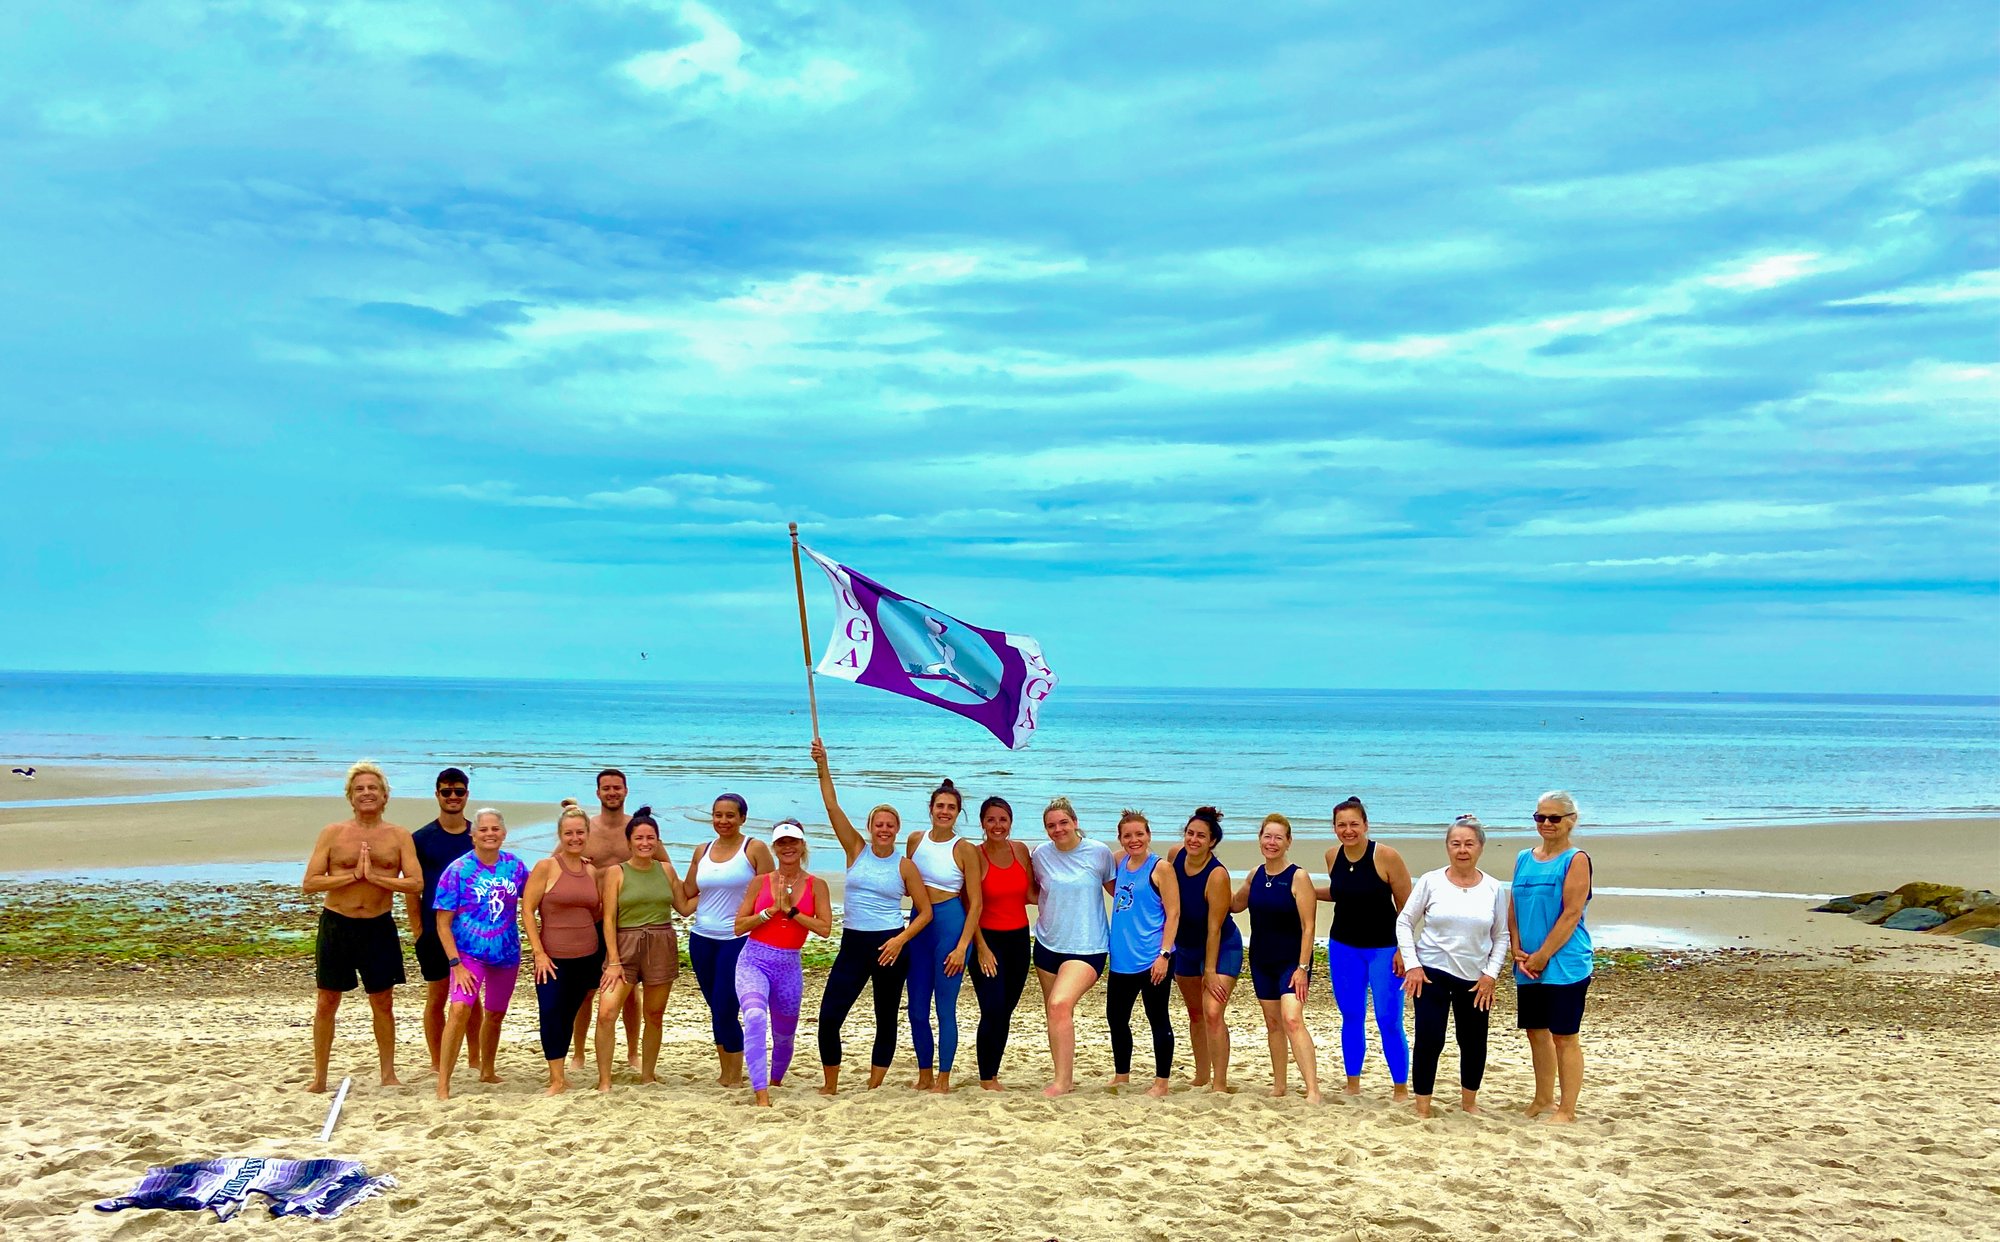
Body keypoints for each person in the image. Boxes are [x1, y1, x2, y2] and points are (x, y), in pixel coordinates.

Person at [811, 739, 934, 1094]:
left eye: (890, 825)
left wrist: (899, 940)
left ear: (897, 830)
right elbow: (831, 805)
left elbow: (924, 913)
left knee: (886, 1017)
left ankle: (874, 1084)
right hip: (853, 943)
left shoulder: (904, 865)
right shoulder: (856, 850)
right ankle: (830, 1084)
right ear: (870, 827)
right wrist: (823, 764)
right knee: (831, 1015)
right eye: (878, 824)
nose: (883, 829)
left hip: (890, 945)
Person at [302, 760, 420, 1093]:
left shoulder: (399, 836)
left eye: (373, 788)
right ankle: (320, 1077)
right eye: (359, 789)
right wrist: (352, 876)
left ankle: (388, 1073)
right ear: (350, 797)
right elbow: (310, 882)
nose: (366, 793)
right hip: (338, 924)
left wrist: (378, 878)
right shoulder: (333, 833)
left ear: (385, 796)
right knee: (327, 1000)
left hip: (377, 926)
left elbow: (415, 883)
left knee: (383, 1001)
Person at [1397, 815, 1510, 1118]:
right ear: (1447, 847)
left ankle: (1469, 1103)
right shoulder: (1431, 881)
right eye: (1456, 844)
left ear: (1480, 848)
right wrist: (1412, 965)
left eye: (1469, 844)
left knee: (1473, 1042)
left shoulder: (1494, 888)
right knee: (1429, 1039)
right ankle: (1422, 1106)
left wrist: (1490, 975)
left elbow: (1501, 936)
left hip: (1475, 978)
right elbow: (1405, 921)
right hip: (1432, 973)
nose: (1462, 850)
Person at [731, 820, 832, 1106]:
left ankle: (775, 1081)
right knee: (754, 1017)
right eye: (782, 843)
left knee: (784, 1036)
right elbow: (738, 926)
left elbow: (825, 929)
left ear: (802, 846)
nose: (788, 848)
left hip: (789, 965)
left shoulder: (817, 885)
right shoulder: (760, 882)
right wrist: (769, 912)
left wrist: (792, 912)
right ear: (775, 848)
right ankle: (761, 1093)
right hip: (754, 959)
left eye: (793, 842)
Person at [595, 806, 696, 1091]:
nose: (645, 843)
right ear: (629, 842)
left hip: (661, 943)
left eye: (650, 838)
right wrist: (613, 960)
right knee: (606, 1013)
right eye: (639, 838)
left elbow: (684, 907)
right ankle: (604, 1080)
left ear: (657, 841)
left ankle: (648, 1074)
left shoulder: (665, 869)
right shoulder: (616, 872)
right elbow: (609, 919)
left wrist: (720, 891)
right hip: (624, 946)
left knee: (654, 1014)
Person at [1318, 796, 1412, 1098]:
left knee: (1388, 1019)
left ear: (1366, 825)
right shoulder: (1332, 856)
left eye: (1354, 824)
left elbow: (1406, 907)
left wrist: (1403, 950)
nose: (1348, 830)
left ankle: (1400, 1087)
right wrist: (1301, 890)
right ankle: (1353, 1084)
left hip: (1384, 948)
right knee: (1351, 1014)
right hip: (1343, 946)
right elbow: (1341, 893)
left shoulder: (1387, 856)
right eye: (1342, 825)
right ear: (1334, 828)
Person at [433, 808, 530, 1100]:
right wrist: (456, 964)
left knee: (496, 1014)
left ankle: (487, 1070)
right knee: (460, 1009)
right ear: (472, 834)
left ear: (504, 833)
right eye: (483, 829)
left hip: (506, 953)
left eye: (495, 829)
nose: (490, 834)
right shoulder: (457, 871)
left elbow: (540, 891)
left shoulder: (515, 866)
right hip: (468, 954)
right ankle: (443, 1084)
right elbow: (442, 923)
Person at [1510, 790, 1593, 1125]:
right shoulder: (1523, 857)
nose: (1546, 824)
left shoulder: (1576, 859)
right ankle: (1543, 1098)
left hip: (1564, 961)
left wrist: (1544, 954)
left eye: (1554, 818)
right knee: (1536, 1031)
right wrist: (1516, 947)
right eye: (1540, 817)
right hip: (1527, 962)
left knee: (1564, 1035)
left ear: (1570, 820)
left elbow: (1572, 913)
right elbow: (1514, 904)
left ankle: (1566, 1109)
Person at [684, 792, 774, 1086]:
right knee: (716, 1008)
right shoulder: (702, 850)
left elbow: (772, 891)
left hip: (737, 939)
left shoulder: (754, 848)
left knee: (725, 1007)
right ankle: (727, 1070)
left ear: (742, 818)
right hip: (701, 939)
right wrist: (659, 859)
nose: (723, 821)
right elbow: (687, 893)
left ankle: (734, 1074)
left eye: (730, 816)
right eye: (718, 815)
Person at [1031, 796, 1115, 1098]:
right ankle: (1060, 1074)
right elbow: (1031, 890)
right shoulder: (1040, 855)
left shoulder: (1099, 853)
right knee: (1053, 1012)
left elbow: (1121, 893)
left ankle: (1063, 1082)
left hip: (1088, 947)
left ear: (1075, 822)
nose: (1058, 829)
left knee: (1059, 1005)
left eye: (1063, 822)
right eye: (1051, 825)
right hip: (1047, 945)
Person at [904, 776, 984, 1092]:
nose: (945, 811)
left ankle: (943, 1077)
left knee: (945, 1007)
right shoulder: (914, 840)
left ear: (958, 812)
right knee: (917, 1007)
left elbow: (975, 902)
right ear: (931, 808)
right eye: (940, 806)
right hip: (919, 925)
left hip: (951, 926)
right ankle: (924, 1073)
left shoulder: (964, 849)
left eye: (951, 807)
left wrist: (963, 946)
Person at [1234, 813, 1321, 1102]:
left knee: (1292, 1019)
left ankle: (1313, 1090)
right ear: (1260, 839)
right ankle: (1280, 1085)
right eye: (1267, 836)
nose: (1271, 842)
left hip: (1292, 964)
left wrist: (1303, 967)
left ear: (1288, 842)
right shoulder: (1255, 875)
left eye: (1278, 837)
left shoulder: (1298, 876)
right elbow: (1234, 905)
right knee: (1273, 1024)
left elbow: (1309, 926)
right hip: (1261, 961)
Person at [522, 801, 603, 1096]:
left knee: (570, 1012)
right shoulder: (546, 867)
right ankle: (556, 1078)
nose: (575, 838)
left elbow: (596, 914)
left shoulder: (591, 871)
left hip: (588, 956)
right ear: (560, 835)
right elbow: (528, 910)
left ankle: (563, 1072)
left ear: (587, 834)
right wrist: (538, 952)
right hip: (553, 957)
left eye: (580, 833)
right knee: (551, 1012)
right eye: (569, 833)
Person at [406, 767, 482, 1076]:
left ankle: (475, 1058)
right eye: (447, 791)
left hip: (473, 931)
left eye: (459, 791)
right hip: (433, 928)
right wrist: (417, 929)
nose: (453, 797)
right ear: (437, 794)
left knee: (473, 998)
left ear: (467, 794)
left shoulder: (478, 834)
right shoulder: (422, 838)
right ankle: (437, 1062)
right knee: (437, 995)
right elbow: (412, 887)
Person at [1105, 811, 1181, 1097]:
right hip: (1122, 958)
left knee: (1157, 1017)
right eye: (1127, 835)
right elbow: (1104, 874)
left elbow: (1174, 914)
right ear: (1120, 839)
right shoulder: (1119, 862)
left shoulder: (1160, 868)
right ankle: (1121, 1074)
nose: (1134, 840)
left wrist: (1164, 954)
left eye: (1139, 834)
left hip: (1153, 958)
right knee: (1116, 1018)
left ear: (1149, 835)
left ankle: (1161, 1082)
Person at [1170, 806, 1243, 1093]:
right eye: (1190, 833)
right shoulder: (1175, 856)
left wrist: (1210, 971)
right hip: (1185, 947)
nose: (1194, 840)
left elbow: (1214, 928)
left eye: (1201, 836)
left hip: (1222, 946)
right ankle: (1201, 1075)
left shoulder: (1217, 875)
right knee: (1195, 1012)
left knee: (1213, 1011)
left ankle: (1220, 1082)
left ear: (1212, 841)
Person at [572, 768, 639, 1071]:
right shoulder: (586, 831)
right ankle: (578, 1054)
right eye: (606, 788)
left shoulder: (636, 829)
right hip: (591, 921)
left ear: (626, 791)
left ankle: (633, 1053)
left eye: (617, 787)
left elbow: (663, 867)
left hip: (628, 922)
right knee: (585, 991)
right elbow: (556, 862)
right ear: (597, 793)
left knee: (629, 991)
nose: (612, 792)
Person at [969, 795, 1033, 1091]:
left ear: (1011, 822)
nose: (997, 825)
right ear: (982, 823)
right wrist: (981, 947)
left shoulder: (1020, 850)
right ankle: (986, 1077)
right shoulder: (975, 854)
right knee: (992, 1008)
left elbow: (1032, 894)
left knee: (1005, 1009)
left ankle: (993, 1073)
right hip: (987, 941)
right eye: (991, 819)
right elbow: (969, 904)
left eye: (1003, 819)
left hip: (1019, 940)